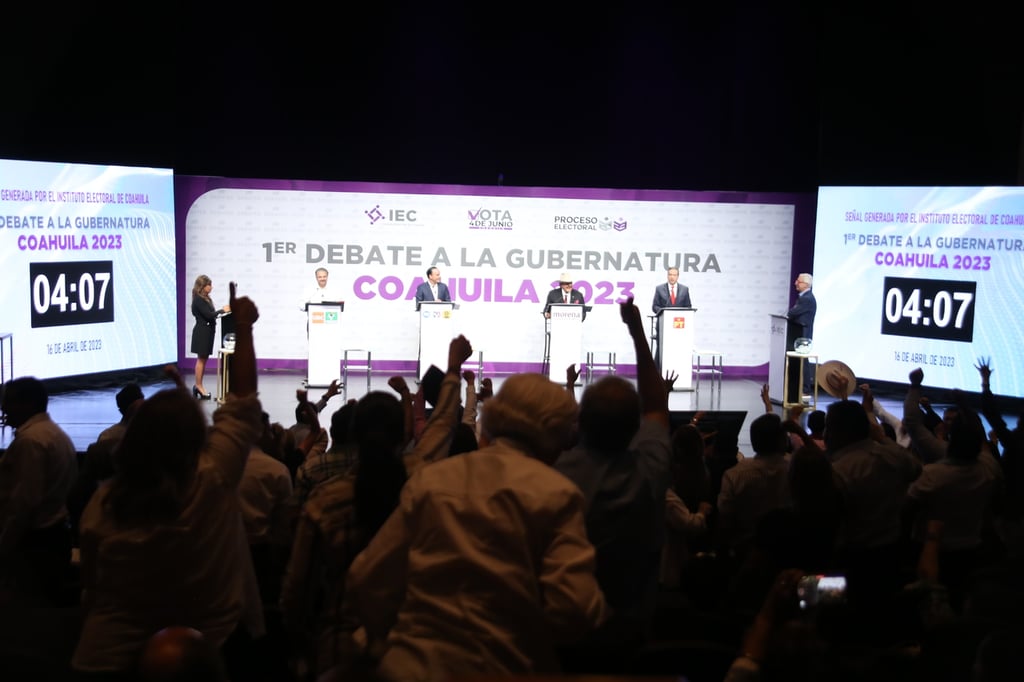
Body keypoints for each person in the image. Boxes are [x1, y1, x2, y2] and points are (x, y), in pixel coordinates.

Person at [345, 365, 607, 680]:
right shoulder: (558, 494)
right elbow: (574, 608)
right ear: (555, 432)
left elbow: (367, 578)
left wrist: (381, 643)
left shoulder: (431, 480)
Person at [73, 282, 264, 676]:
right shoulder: (212, 481)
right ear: (196, 441)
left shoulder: (103, 504)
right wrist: (243, 326)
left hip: (108, 656)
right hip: (207, 653)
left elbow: (91, 587)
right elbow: (243, 404)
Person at [0, 376, 78, 605]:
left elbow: (24, 503)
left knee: (28, 612)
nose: (3, 408)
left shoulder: (30, 442)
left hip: (34, 545)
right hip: (53, 538)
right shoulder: (55, 434)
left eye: (8, 402)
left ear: (27, 404)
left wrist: (4, 545)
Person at [190, 274, 230, 400]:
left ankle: (198, 386)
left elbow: (211, 315)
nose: (211, 287)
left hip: (208, 332)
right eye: (209, 285)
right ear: (203, 286)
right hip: (202, 332)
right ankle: (199, 386)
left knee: (204, 359)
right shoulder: (198, 300)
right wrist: (222, 310)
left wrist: (223, 312)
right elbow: (208, 315)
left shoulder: (206, 298)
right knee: (201, 360)